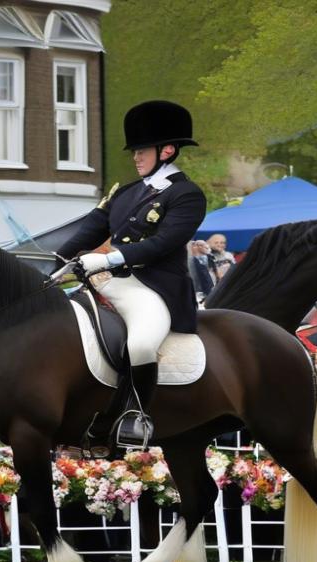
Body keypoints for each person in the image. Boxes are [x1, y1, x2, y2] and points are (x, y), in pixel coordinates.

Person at [55, 100, 206, 453]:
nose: (136, 157)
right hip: (108, 281)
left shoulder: (186, 194)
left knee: (139, 344)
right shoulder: (125, 192)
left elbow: (165, 242)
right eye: (135, 151)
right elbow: (89, 231)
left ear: (167, 150)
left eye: (142, 150)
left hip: (152, 287)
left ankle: (136, 415)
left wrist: (108, 258)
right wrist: (54, 262)